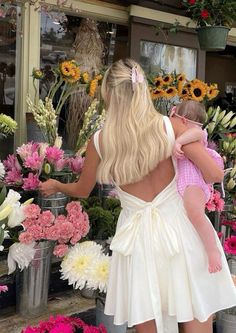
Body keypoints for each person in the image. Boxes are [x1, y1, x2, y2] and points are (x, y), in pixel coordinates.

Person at [39, 58, 236, 333]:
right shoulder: (171, 128)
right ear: (143, 90)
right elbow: (215, 174)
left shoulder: (99, 141)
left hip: (137, 243)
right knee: (196, 313)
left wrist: (57, 186)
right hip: (182, 233)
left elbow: (82, 190)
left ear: (109, 95)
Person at [170, 100, 223, 274]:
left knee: (195, 214)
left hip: (195, 183)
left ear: (183, 120)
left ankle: (212, 250)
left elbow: (196, 133)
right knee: (189, 216)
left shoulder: (197, 134)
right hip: (186, 184)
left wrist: (178, 142)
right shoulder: (185, 131)